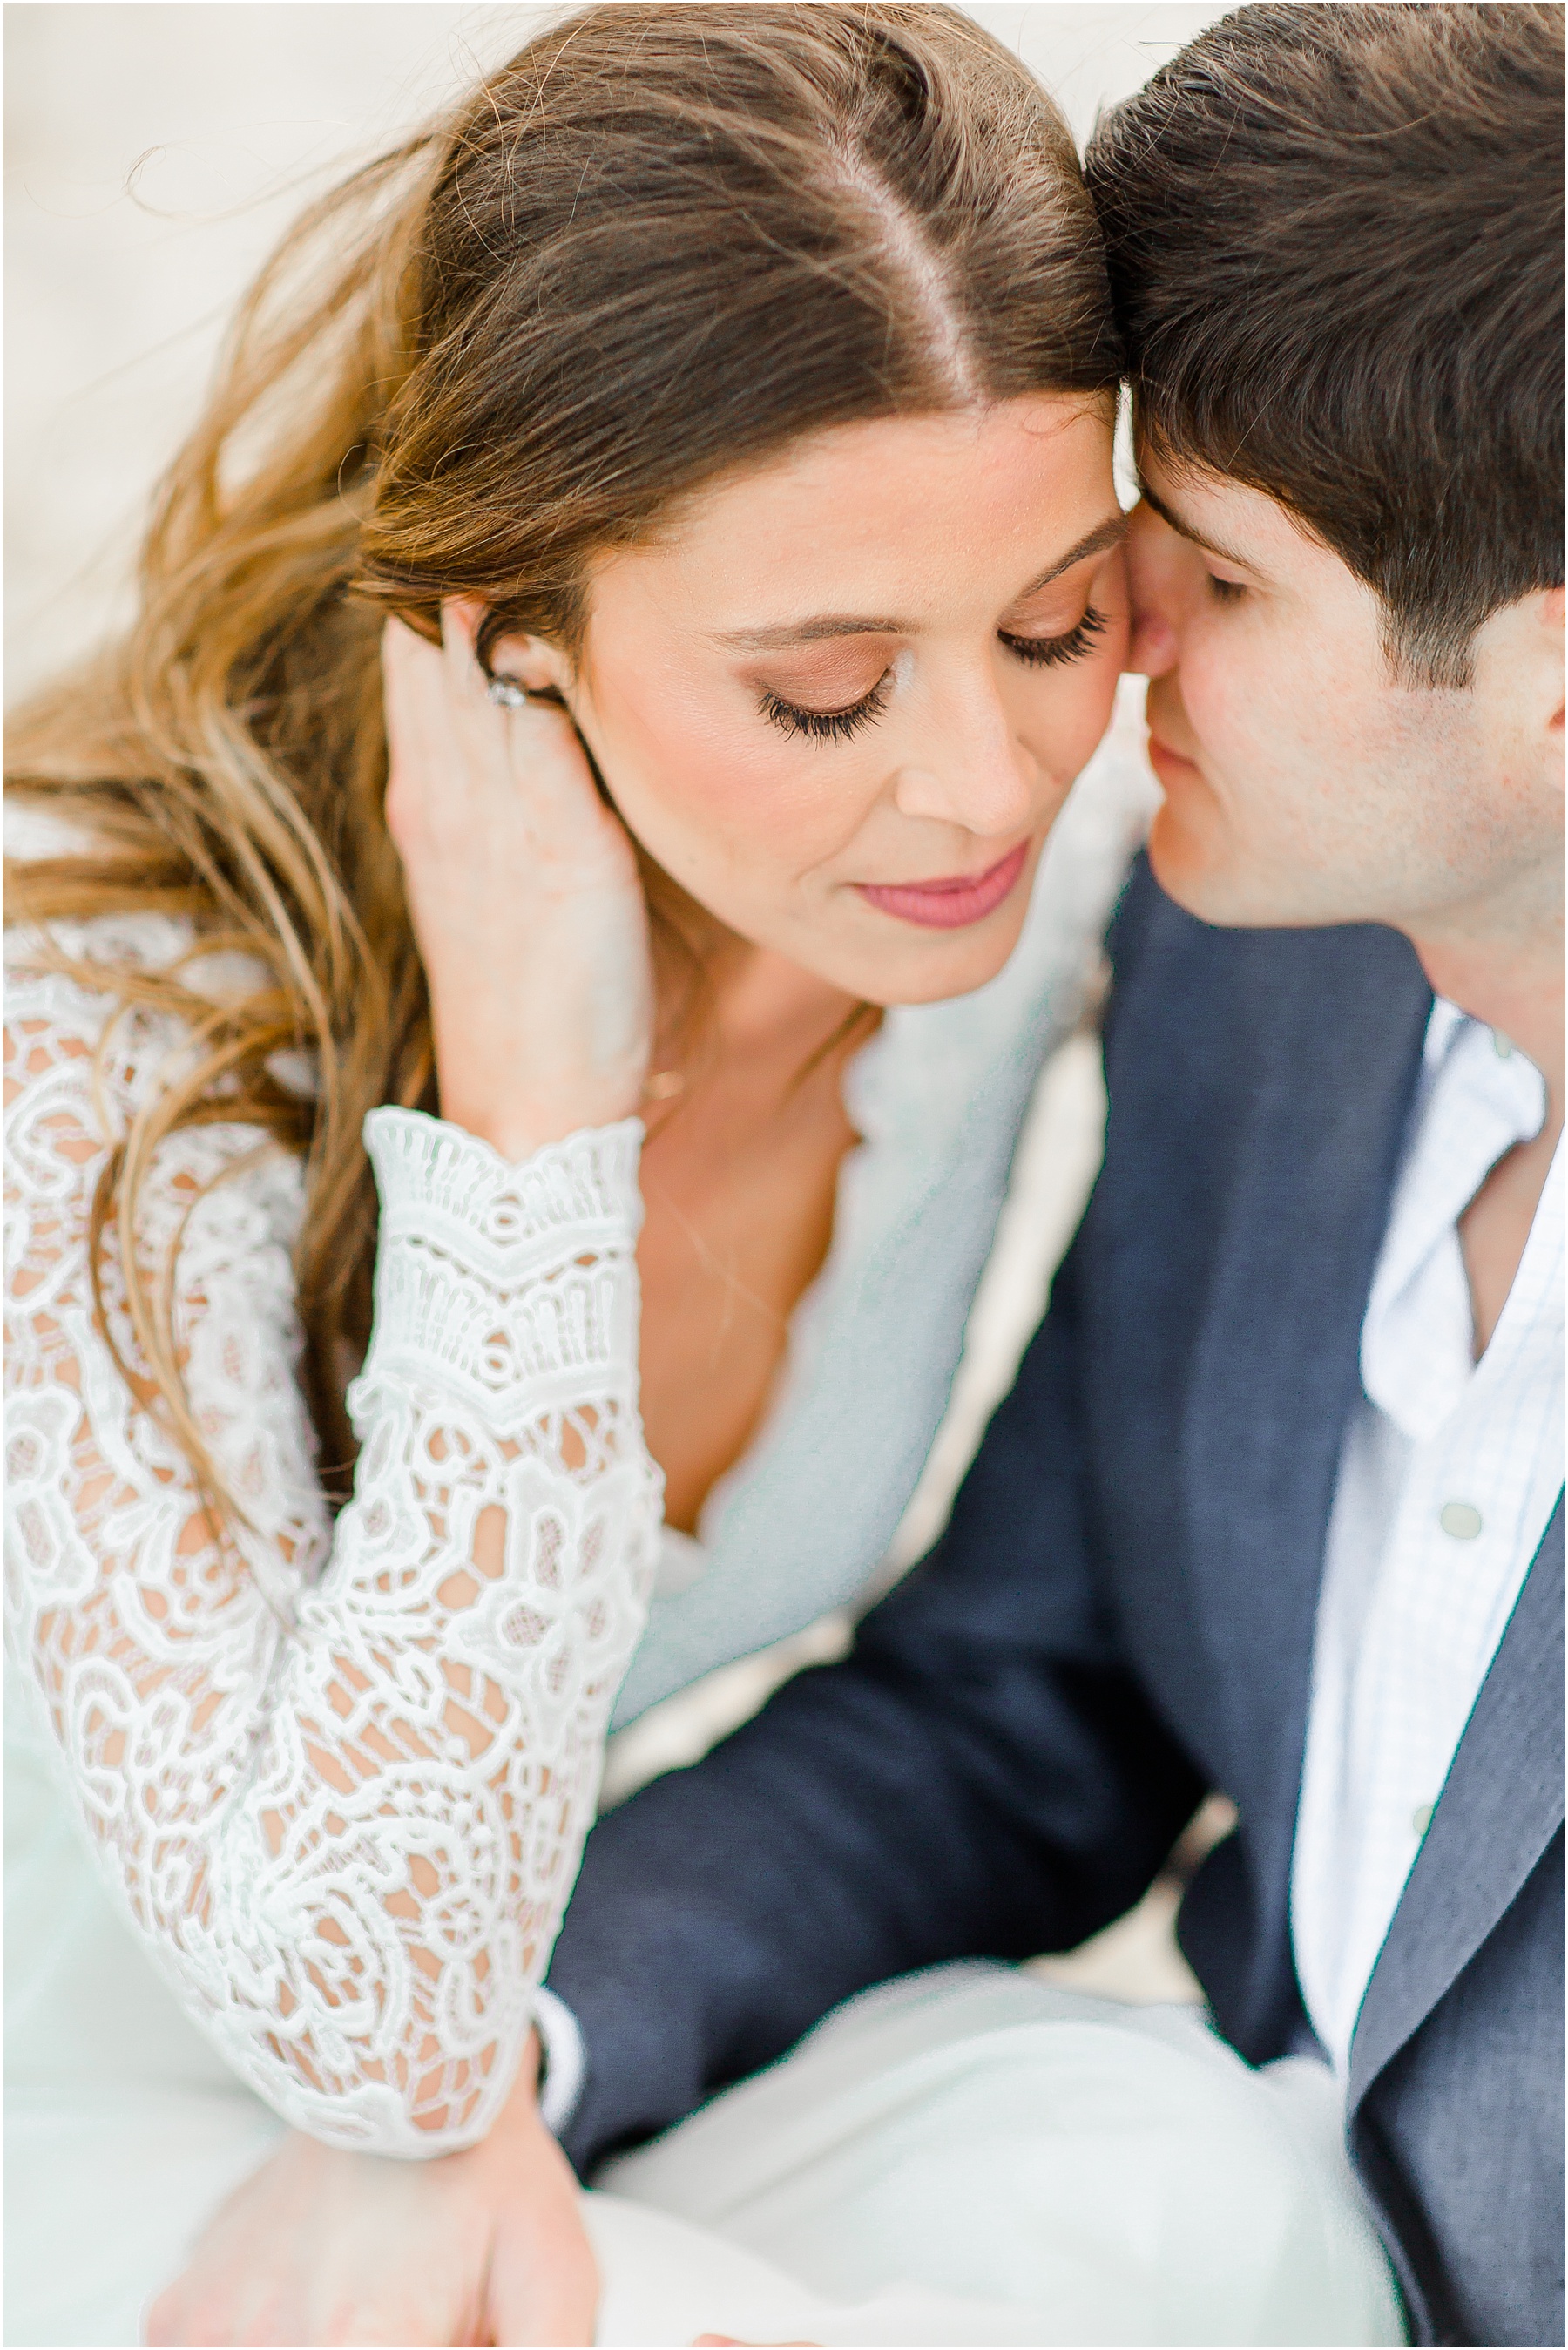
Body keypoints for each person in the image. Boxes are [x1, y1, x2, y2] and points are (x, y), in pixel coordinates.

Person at [144, 4, 1560, 2345]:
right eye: (1120, 568)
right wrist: (519, 2060)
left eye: (1169, 584)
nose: (1033, 763)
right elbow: (1031, 1697)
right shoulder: (1253, 991)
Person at [2, 6, 1162, 2343]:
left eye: (1061, 621)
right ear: (510, 645)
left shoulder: (1023, 920)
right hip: (84, 2094)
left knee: (1181, 2199)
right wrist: (532, 1136)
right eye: (825, 689)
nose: (987, 784)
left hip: (480, 2069)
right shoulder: (106, 1029)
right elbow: (374, 2020)